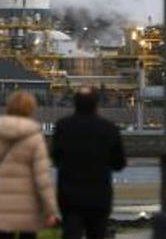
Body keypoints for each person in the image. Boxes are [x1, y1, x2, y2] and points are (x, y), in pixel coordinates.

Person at [0, 90, 58, 239]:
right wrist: (50, 209)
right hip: (28, 203)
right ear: (30, 109)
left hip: (2, 200)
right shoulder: (34, 137)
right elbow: (42, 177)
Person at [51, 86, 126, 239]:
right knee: (98, 233)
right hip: (99, 195)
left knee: (71, 233)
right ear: (96, 104)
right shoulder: (108, 129)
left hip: (70, 195)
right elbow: (119, 163)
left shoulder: (63, 127)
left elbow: (55, 158)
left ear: (75, 103)